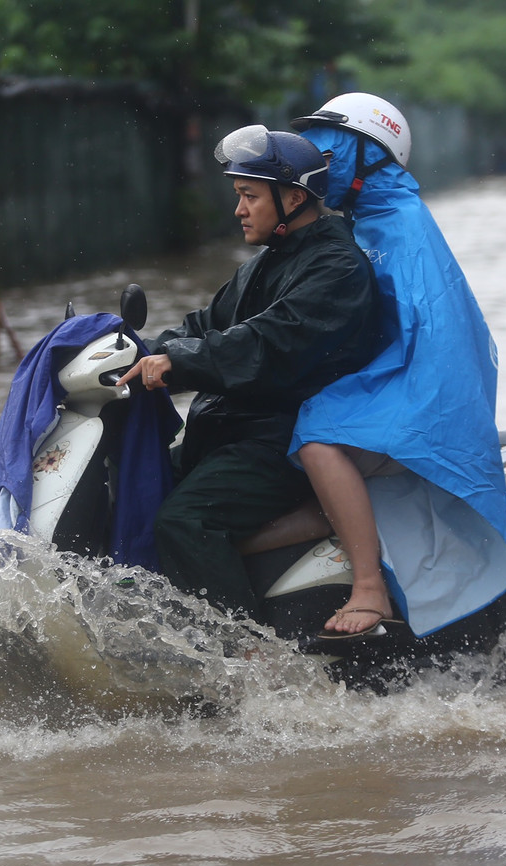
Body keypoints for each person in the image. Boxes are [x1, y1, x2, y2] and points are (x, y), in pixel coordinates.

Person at [115, 126, 380, 623]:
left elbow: (268, 343)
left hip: (278, 437)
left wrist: (180, 362)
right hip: (227, 430)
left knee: (185, 520)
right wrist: (132, 351)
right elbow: (205, 325)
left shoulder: (336, 269)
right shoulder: (268, 261)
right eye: (239, 196)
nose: (238, 210)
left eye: (249, 196)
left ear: (294, 198)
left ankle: (245, 654)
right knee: (131, 479)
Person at [288, 93, 506, 641]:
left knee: (319, 438)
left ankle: (369, 588)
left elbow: (433, 339)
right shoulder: (359, 221)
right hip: (391, 379)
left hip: (425, 392)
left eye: (330, 153)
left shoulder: (402, 226)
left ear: (367, 156)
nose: (318, 167)